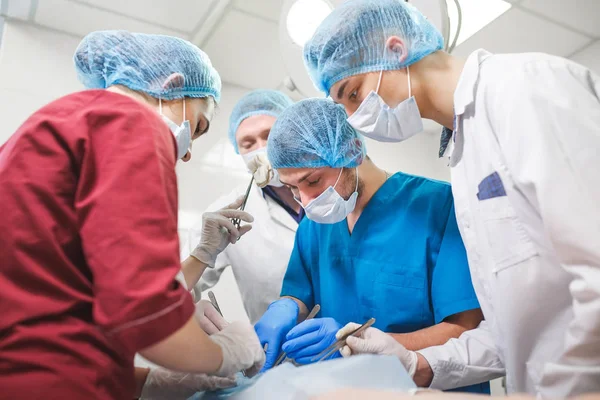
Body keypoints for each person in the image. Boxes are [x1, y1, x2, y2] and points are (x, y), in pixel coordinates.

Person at [303, 0, 600, 397]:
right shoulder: (463, 152)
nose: (356, 119)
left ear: (395, 50)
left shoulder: (525, 87)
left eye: (353, 93)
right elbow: (512, 326)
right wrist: (417, 364)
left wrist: (572, 387)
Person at [0, 30, 264, 400]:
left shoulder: (54, 125)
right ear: (171, 86)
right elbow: (147, 321)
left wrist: (145, 382)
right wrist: (227, 352)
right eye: (198, 126)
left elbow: (75, 295)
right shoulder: (131, 122)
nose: (187, 154)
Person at [255, 98, 489, 394]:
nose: (305, 201)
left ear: (351, 152)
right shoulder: (313, 226)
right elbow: (299, 292)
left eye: (312, 181)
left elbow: (465, 329)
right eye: (292, 189)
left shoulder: (440, 207)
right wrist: (286, 307)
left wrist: (362, 344)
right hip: (347, 390)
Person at [183, 89, 304, 324]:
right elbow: (172, 291)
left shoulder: (331, 193)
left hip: (360, 342)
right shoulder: (225, 213)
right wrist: (194, 313)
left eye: (270, 135)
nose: (261, 149)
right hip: (280, 352)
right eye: (248, 144)